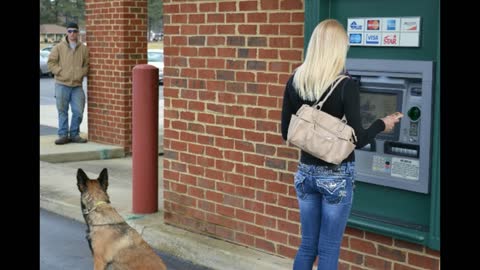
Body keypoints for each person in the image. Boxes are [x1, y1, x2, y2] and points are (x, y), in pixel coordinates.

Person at [281, 19, 402, 270]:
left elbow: (286, 132)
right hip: (336, 176)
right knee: (328, 248)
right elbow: (357, 139)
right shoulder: (346, 85)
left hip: (305, 174)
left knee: (307, 245)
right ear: (338, 48)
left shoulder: (295, 80)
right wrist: (382, 124)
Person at [48, 22, 89, 145]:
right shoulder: (58, 47)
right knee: (62, 111)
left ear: (78, 33)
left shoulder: (83, 48)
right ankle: (63, 135)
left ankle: (75, 134)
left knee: (78, 111)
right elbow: (51, 63)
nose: (72, 33)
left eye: (75, 31)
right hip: (61, 84)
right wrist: (61, 72)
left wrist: (81, 73)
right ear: (67, 32)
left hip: (77, 85)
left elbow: (87, 65)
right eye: (70, 31)